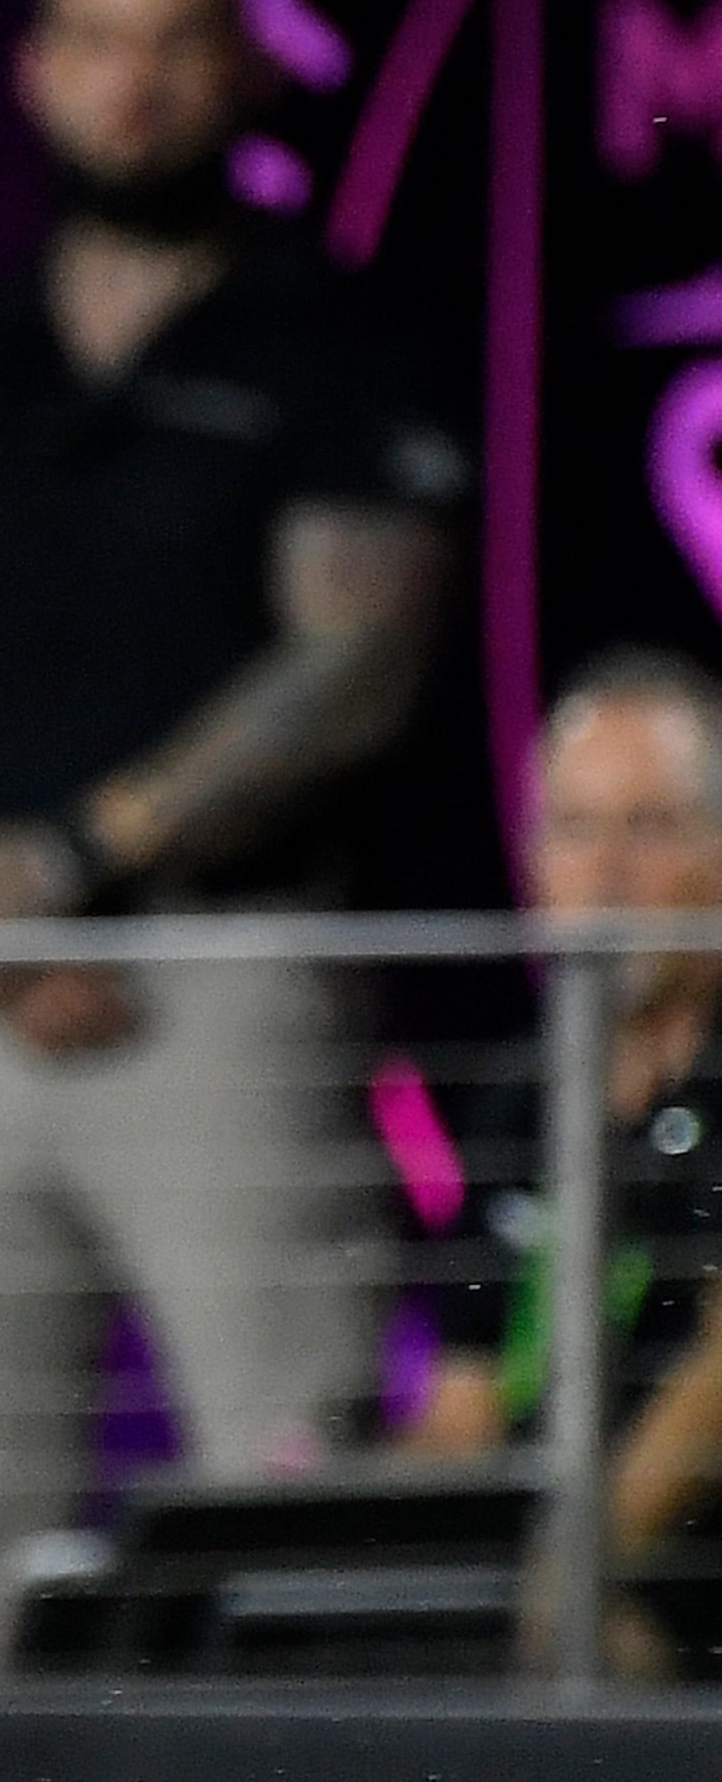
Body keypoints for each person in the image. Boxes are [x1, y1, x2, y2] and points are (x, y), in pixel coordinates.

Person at [0, 0, 461, 1687]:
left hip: (226, 979)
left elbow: (357, 664)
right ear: (37, 71)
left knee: (293, 1495)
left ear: (245, 69)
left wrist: (78, 858)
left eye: (178, 38)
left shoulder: (329, 334)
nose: (137, 78)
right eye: (98, 37)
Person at [397, 653, 722, 1675]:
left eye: (649, 828)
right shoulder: (518, 1095)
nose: (606, 873)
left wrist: (579, 1571)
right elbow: (464, 1403)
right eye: (575, 830)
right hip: (545, 1572)